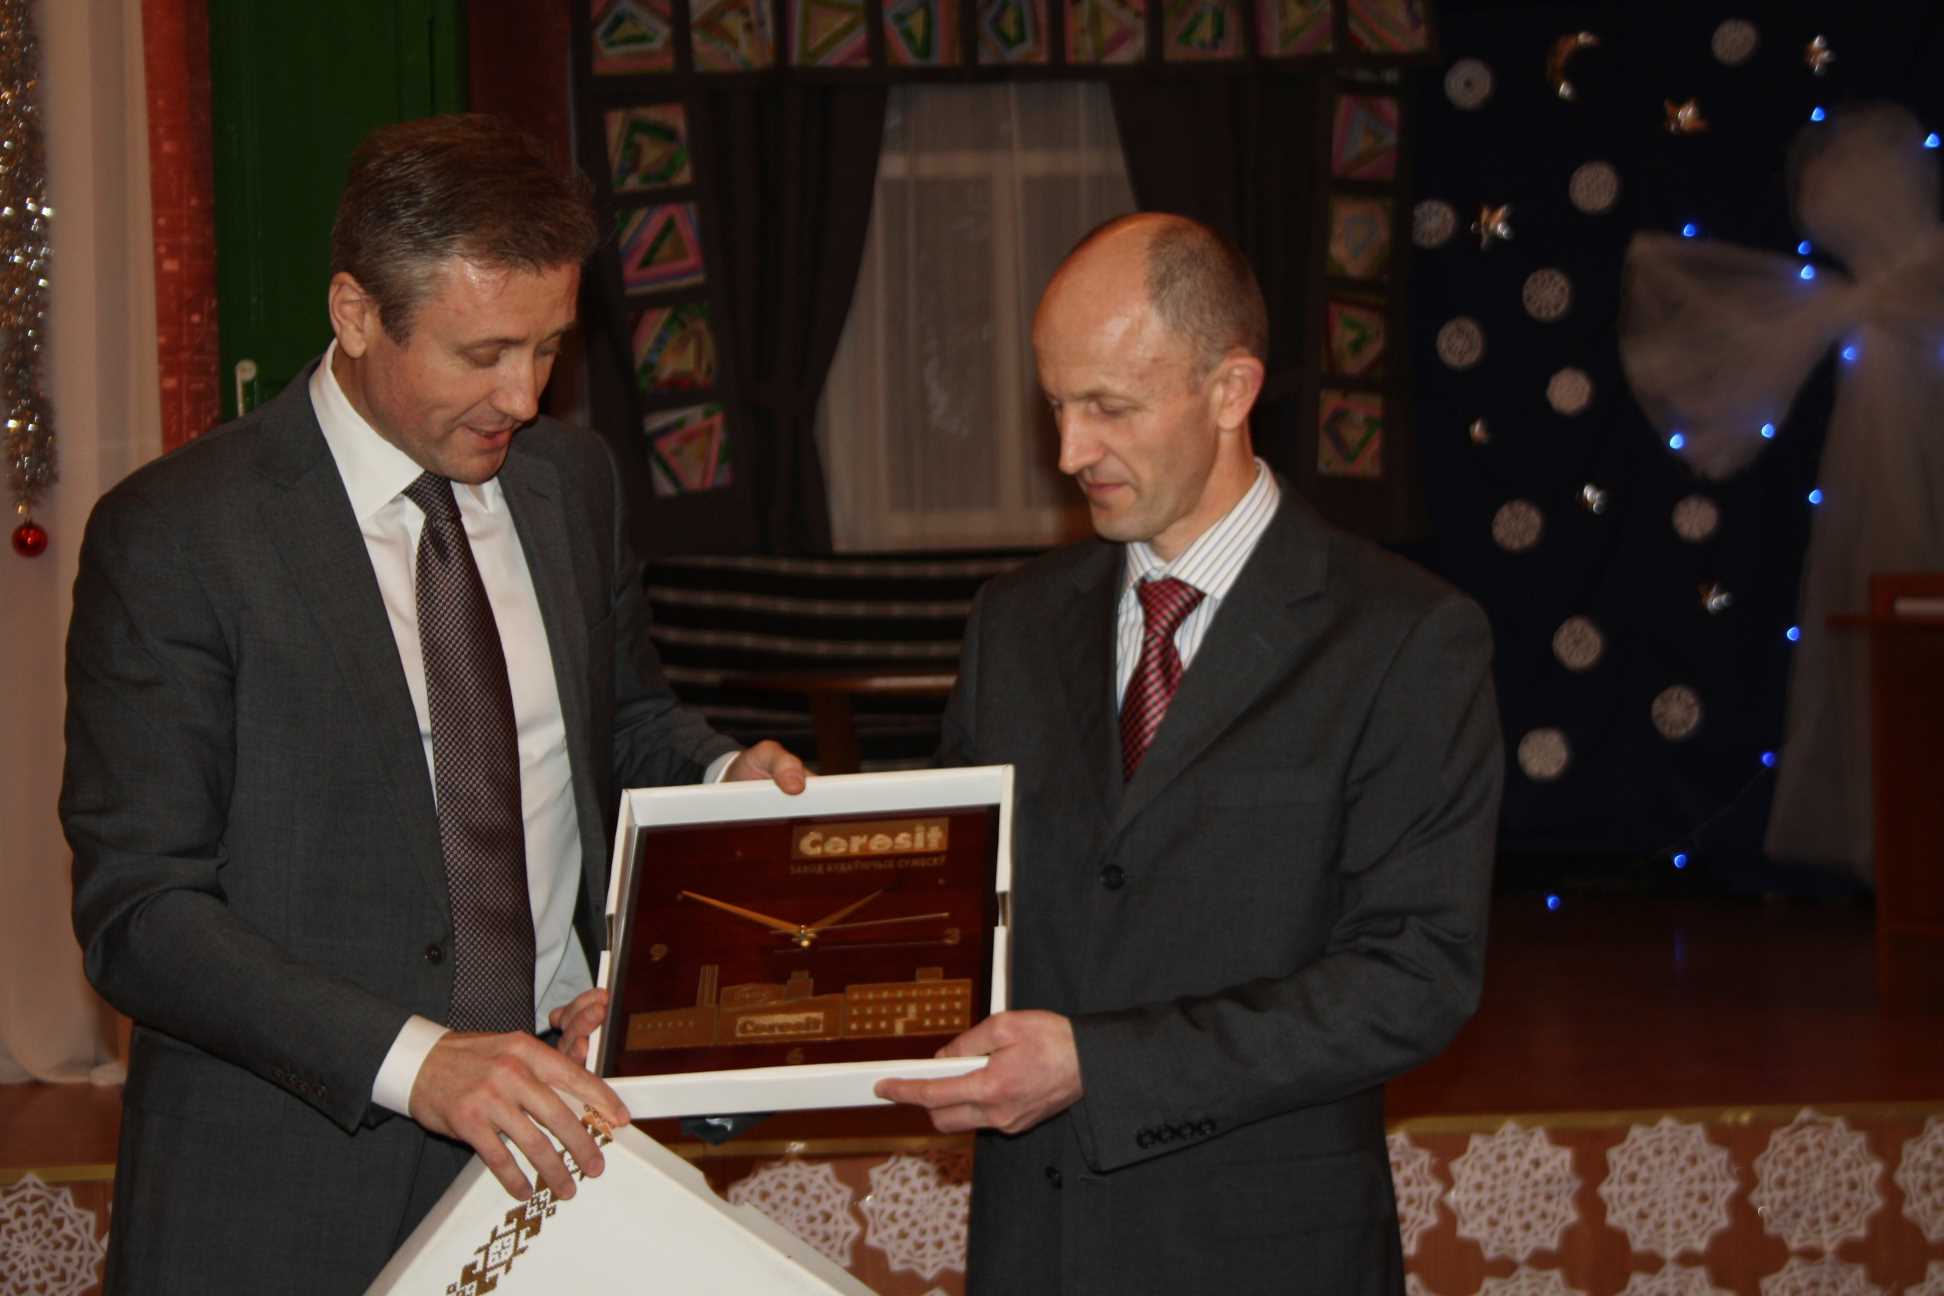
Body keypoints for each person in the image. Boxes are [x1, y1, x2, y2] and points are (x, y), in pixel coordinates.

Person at [60, 114, 805, 1294]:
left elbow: (616, 724)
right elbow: (140, 911)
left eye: (549, 348)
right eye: (484, 352)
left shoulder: (572, 485)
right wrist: (422, 1063)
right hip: (280, 1189)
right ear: (356, 313)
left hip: (559, 1158)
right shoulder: (182, 535)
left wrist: (723, 777)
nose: (524, 394)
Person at [878, 213, 1501, 1294]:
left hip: (1262, 1252)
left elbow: (1413, 978)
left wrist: (1099, 1065)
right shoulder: (1013, 623)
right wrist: (714, 1024)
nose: (1069, 452)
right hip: (1039, 1247)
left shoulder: (1404, 638)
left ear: (1230, 390)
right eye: (1056, 406)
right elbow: (952, 907)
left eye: (1109, 407)